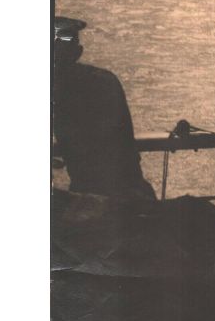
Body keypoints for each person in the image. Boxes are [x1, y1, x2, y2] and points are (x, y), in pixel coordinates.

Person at [53, 17, 156, 200]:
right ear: (78, 52)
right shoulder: (106, 79)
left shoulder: (58, 90)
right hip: (133, 191)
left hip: (92, 196)